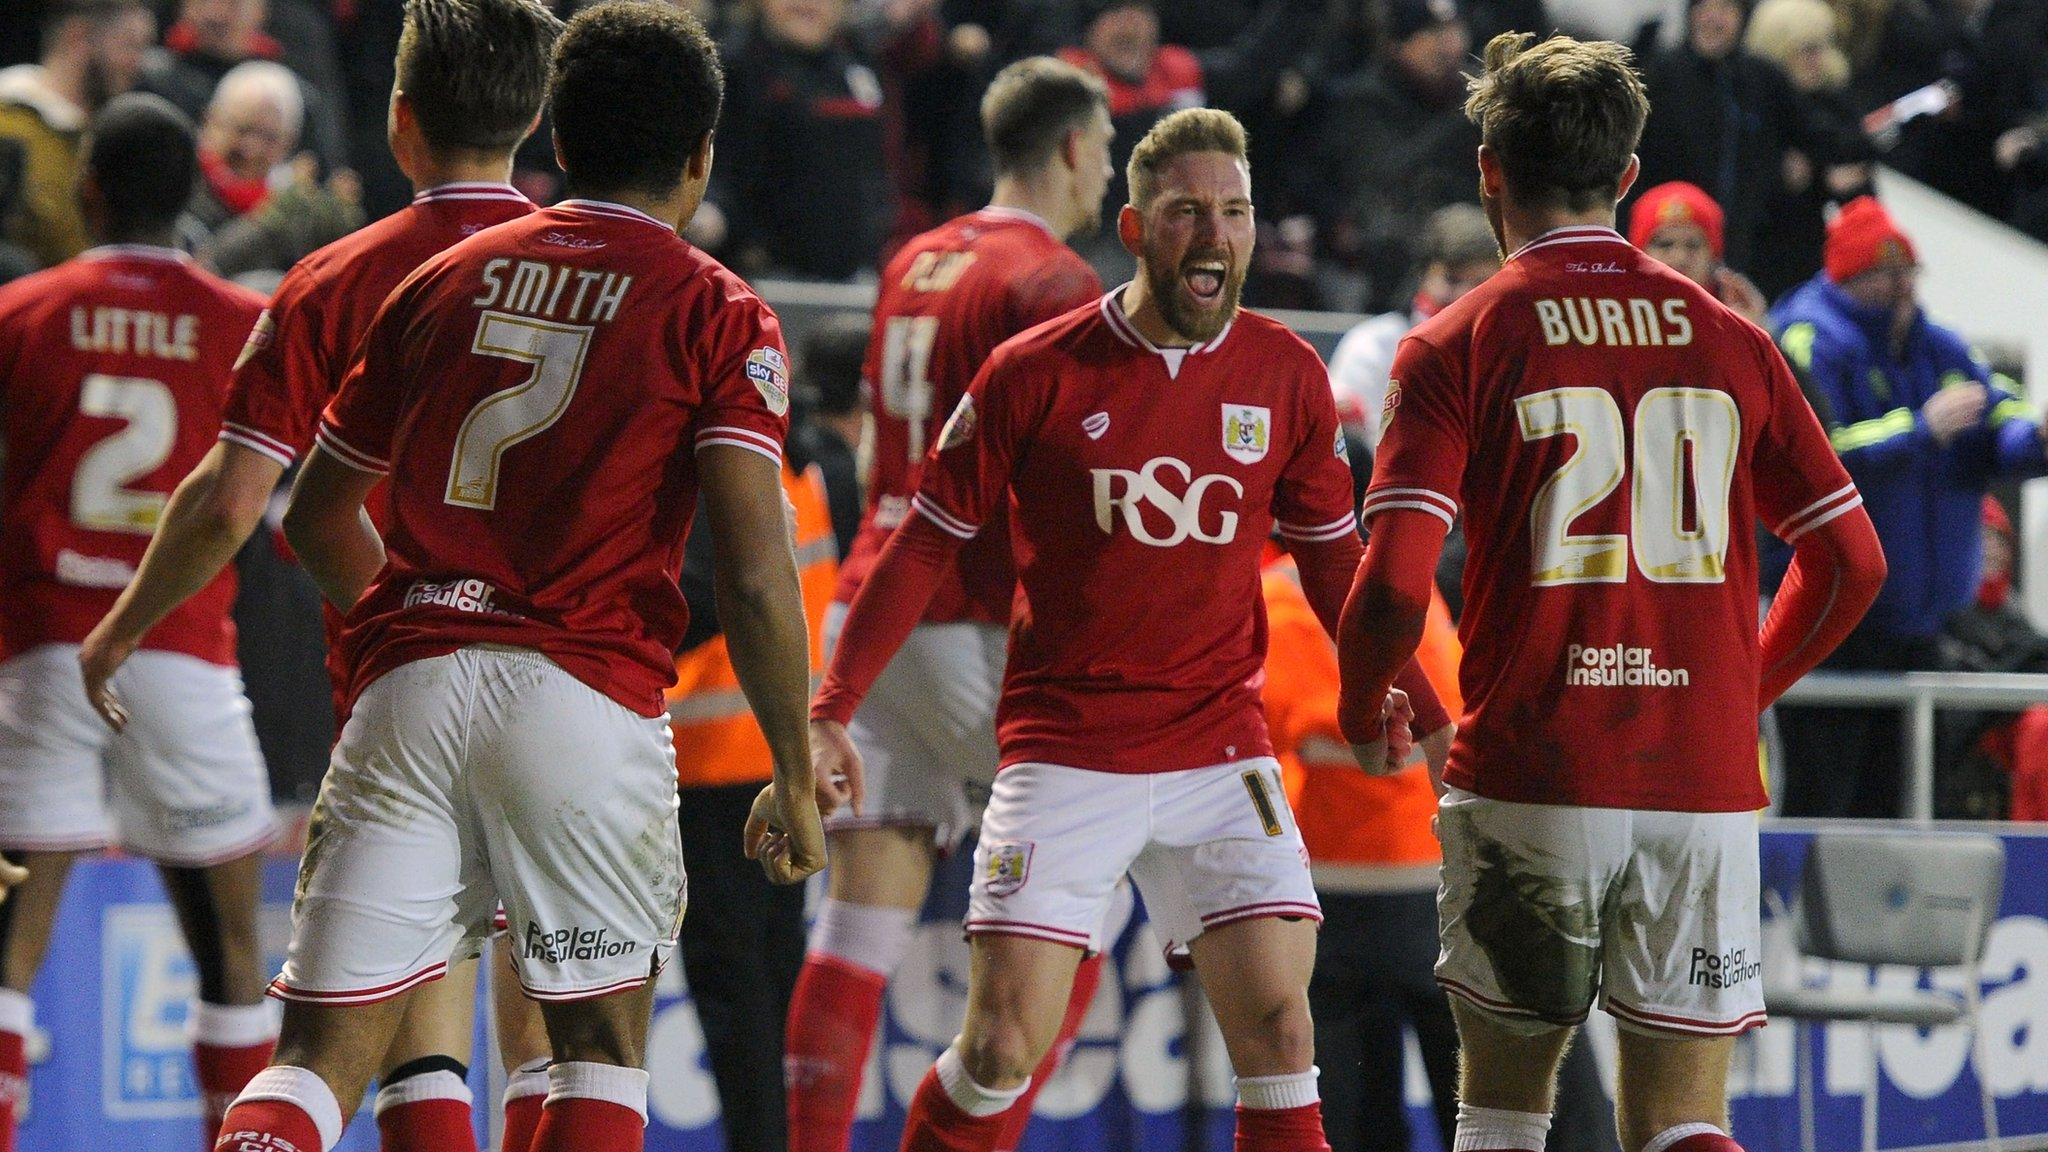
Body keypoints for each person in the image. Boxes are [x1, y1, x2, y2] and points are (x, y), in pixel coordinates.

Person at [214, 5, 828, 1150]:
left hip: (410, 687)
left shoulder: (442, 279)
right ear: (697, 159)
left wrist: (407, 613)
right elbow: (752, 573)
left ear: (557, 136)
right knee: (592, 1053)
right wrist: (794, 775)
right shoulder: (715, 306)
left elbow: (316, 513)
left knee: (310, 1063)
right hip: (582, 694)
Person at [811, 105, 1444, 1152]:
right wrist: (832, 708)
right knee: (999, 1048)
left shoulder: (1284, 375)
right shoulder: (1033, 369)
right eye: (1186, 210)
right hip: (1067, 750)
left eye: (1233, 211)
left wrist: (1423, 716)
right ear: (1133, 228)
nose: (1214, 232)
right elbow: (920, 545)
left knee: (1283, 1036)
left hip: (1218, 750)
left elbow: (1338, 564)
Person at [1336, 33, 1887, 1152]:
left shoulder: (1456, 339)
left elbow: (1393, 585)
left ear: (1486, 169)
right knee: (1682, 1121)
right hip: (1696, 777)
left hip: (1531, 769)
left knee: (1501, 1115)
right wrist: (1740, 689)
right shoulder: (1731, 338)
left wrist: (1362, 702)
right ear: (1627, 177)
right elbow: (1850, 563)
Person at [79, 3, 564, 1148]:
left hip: (402, 686)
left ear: (398, 124)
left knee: (377, 1032)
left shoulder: (332, 277)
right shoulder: (622, 277)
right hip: (570, 684)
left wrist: (120, 627)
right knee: (566, 1044)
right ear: (537, 116)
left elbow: (238, 501)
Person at [782, 55, 1116, 1152]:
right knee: (1090, 902)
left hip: (877, 608)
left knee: (856, 923)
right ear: (1070, 147)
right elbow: (1075, 489)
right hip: (977, 616)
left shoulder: (913, 260)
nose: (1108, 171)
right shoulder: (1053, 283)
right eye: (1106, 149)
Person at [0, 92, 279, 1151]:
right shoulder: (241, 328)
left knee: (6, 962)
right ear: (194, 194)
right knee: (231, 958)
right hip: (180, 655)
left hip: (38, 651)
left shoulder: (20, 313)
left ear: (88, 188)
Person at [1768, 196, 2048, 817]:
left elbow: (1994, 416)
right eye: (1884, 276)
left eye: (1908, 274)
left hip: (1921, 624)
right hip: (1833, 617)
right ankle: (1802, 916)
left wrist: (2036, 439)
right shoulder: (1809, 339)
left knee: (1905, 802)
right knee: (1824, 803)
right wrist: (1919, 429)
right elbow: (1817, 452)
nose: (1901, 289)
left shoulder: (1937, 344)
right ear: (1848, 278)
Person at [1260, 547, 1457, 1152]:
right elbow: (1451, 698)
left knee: (1348, 1111)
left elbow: (1262, 725)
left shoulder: (1277, 593)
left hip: (1327, 886)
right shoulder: (1414, 581)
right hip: (1430, 874)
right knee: (1477, 1104)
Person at [1325, 202, 1499, 451]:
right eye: (1452, 279)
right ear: (1423, 275)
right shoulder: (1372, 346)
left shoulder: (1510, 352)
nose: (1464, 295)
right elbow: (1355, 454)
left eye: (1481, 282)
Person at [0, 0, 155, 269]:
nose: (138, 64)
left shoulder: (112, 139)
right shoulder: (8, 126)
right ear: (79, 36)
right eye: (129, 45)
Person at [1626, 181, 1767, 327]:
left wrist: (1754, 335)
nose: (1679, 258)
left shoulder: (1735, 325)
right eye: (1665, 244)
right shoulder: (1613, 321)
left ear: (1714, 257)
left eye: (1693, 245)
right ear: (1637, 254)